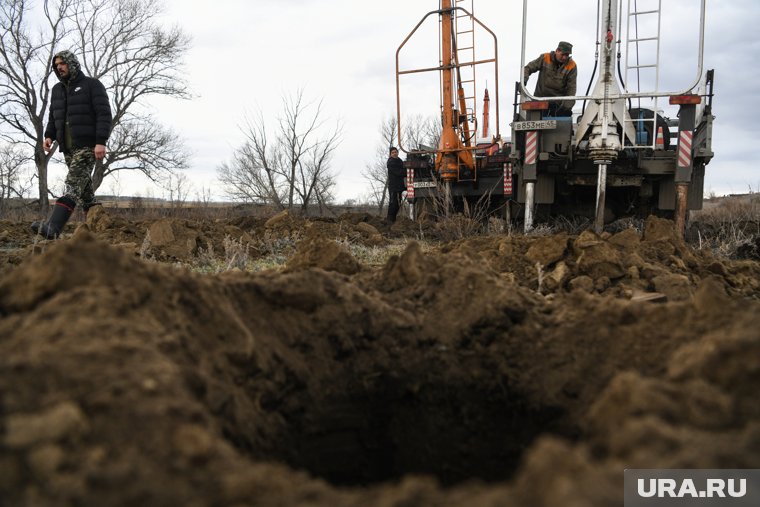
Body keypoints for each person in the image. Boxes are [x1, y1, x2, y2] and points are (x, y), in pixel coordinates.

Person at [32, 50, 112, 239]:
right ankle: (98, 226)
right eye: (56, 65)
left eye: (63, 63)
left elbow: (104, 114)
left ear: (72, 63)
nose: (59, 67)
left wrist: (101, 142)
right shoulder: (57, 90)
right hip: (68, 148)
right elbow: (54, 115)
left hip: (87, 145)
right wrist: (49, 135)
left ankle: (53, 227)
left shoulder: (92, 85)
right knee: (85, 192)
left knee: (72, 184)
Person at [523, 41, 577, 116]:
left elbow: (571, 89)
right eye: (563, 54)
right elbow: (528, 68)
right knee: (534, 118)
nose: (564, 57)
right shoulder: (545, 58)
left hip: (558, 104)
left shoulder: (572, 66)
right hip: (540, 100)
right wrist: (524, 79)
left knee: (563, 120)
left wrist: (566, 107)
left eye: (567, 55)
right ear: (557, 51)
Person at [386, 147, 406, 223]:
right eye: (393, 152)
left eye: (396, 152)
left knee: (398, 203)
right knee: (393, 203)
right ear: (390, 154)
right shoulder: (390, 162)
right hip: (393, 186)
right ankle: (389, 220)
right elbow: (398, 172)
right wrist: (406, 172)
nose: (395, 153)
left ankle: (393, 219)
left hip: (400, 186)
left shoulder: (400, 161)